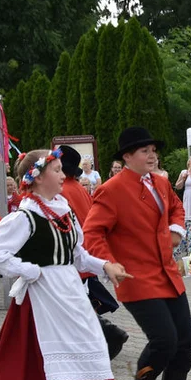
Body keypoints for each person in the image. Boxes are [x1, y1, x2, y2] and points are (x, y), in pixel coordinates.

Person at [0, 149, 130, 380]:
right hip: (43, 297)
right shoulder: (24, 217)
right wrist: (29, 270)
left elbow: (77, 256)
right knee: (40, 361)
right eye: (58, 170)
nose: (64, 176)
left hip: (70, 292)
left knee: (83, 354)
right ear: (36, 177)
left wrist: (106, 266)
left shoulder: (64, 210)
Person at [83, 126, 191, 380]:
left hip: (167, 274)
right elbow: (92, 234)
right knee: (164, 341)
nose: (152, 155)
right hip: (136, 278)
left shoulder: (160, 182)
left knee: (185, 342)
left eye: (153, 150)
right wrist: (108, 263)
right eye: (144, 151)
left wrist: (177, 230)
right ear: (127, 156)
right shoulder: (111, 189)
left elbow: (176, 208)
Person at [59, 145, 129, 358]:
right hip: (84, 255)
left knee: (71, 306)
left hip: (71, 257)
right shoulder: (78, 189)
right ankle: (100, 337)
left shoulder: (62, 192)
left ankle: (107, 333)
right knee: (76, 303)